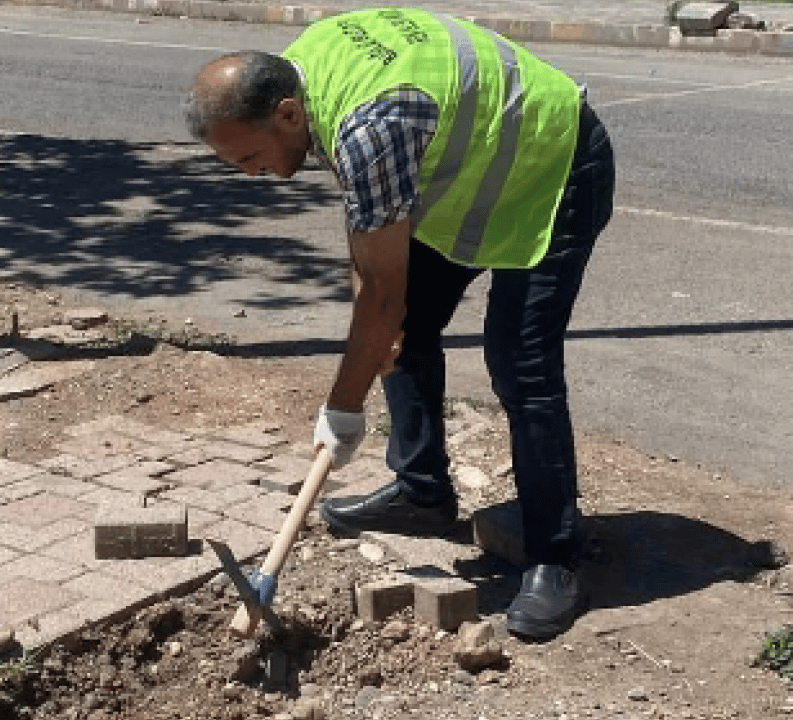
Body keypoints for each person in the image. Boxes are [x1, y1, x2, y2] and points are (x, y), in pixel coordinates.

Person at [184, 8, 615, 639]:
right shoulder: (309, 72)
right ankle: (423, 494)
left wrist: (343, 406)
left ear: (285, 114)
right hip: (476, 172)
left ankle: (553, 555)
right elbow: (372, 251)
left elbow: (381, 290)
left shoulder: (370, 125)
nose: (251, 174)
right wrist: (377, 321)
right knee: (402, 329)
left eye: (250, 156)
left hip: (554, 167)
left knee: (519, 363)